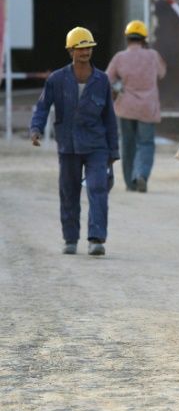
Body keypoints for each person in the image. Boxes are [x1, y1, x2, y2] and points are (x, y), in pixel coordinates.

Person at [29, 26, 120, 256]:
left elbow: (109, 117)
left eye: (88, 48)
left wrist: (113, 151)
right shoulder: (57, 79)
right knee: (69, 192)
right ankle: (70, 238)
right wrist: (36, 129)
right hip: (68, 145)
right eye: (80, 49)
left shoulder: (101, 80)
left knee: (98, 189)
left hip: (96, 145)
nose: (85, 52)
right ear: (70, 51)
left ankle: (96, 239)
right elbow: (42, 106)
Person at [106, 20, 167, 193]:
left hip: (126, 107)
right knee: (146, 143)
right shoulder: (153, 55)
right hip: (147, 107)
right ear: (144, 39)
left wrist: (116, 89)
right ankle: (141, 175)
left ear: (127, 38)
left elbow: (107, 79)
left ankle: (130, 183)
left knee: (128, 145)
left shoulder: (119, 57)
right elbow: (162, 73)